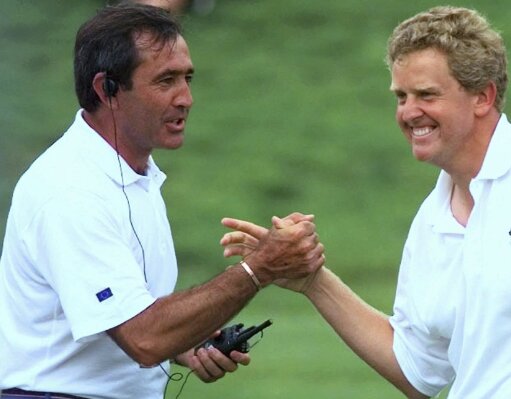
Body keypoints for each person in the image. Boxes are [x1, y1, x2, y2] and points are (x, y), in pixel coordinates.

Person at [219, 6, 511, 399]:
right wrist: (313, 281)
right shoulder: (431, 219)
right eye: (401, 96)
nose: (408, 112)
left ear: (482, 97)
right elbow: (417, 369)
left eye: (426, 95)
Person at [0, 4, 324, 399]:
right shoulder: (71, 190)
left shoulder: (132, 173)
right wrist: (258, 267)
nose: (186, 98)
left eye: (187, 78)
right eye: (165, 80)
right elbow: (145, 338)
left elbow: (129, 322)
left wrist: (185, 343)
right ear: (108, 90)